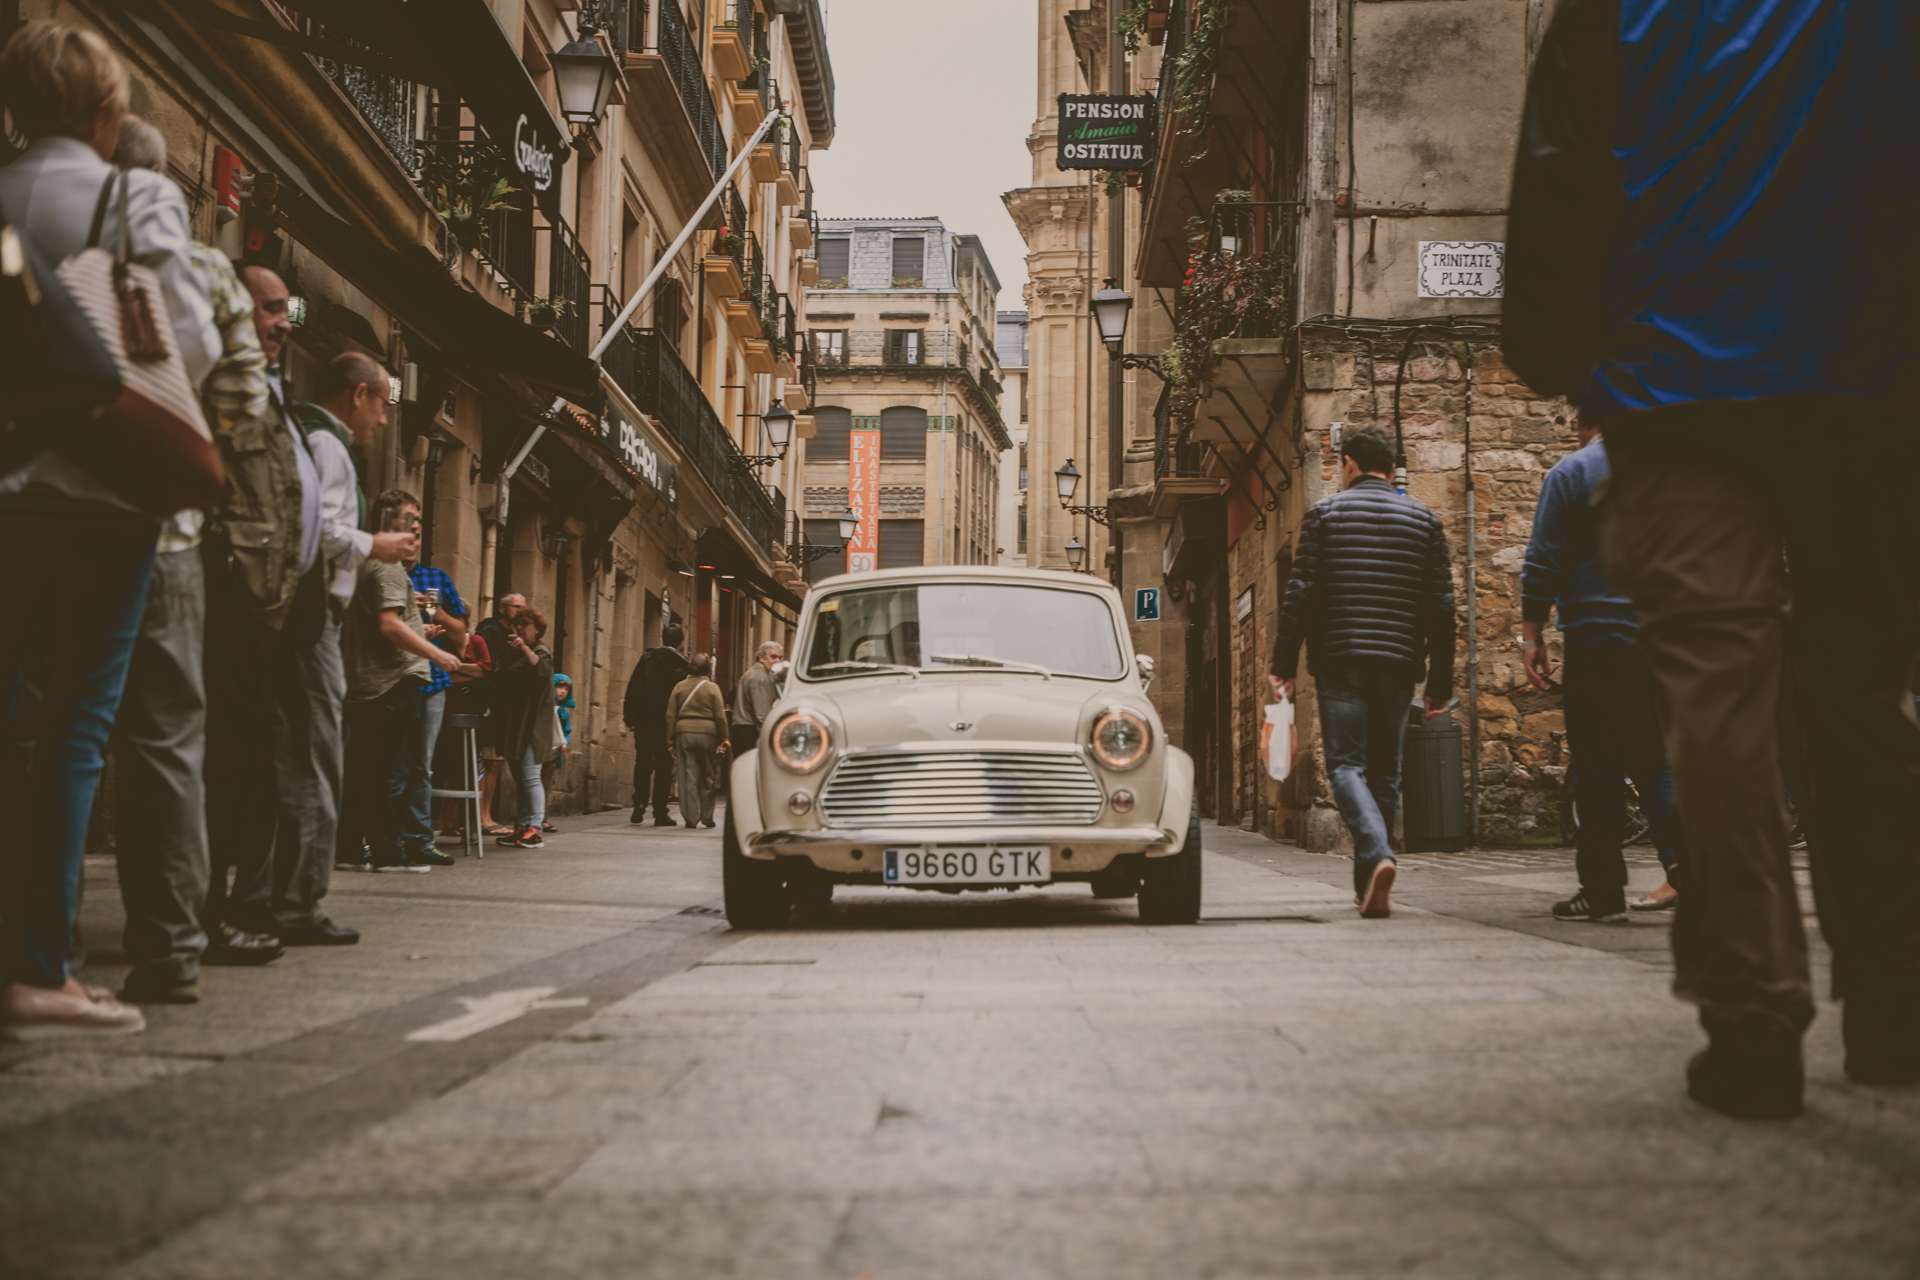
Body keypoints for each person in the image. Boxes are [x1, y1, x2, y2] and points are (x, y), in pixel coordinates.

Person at [1506, 0, 1920, 1115]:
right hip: (1871, 389)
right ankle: (1891, 1003)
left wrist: (1550, 344)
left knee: (1717, 705)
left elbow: (1557, 174)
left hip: (1678, 396)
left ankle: (1753, 1018)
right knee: (1857, 694)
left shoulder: (1613, 16)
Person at [0, 22, 219, 1040]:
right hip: (111, 488)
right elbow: (192, 338)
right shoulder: (133, 197)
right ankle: (41, 966)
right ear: (106, 114)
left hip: (10, 482)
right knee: (81, 723)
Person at [106, 116, 276, 1002]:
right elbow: (249, 418)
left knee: (41, 739)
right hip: (166, 531)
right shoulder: (207, 270)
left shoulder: (36, 229)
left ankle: (32, 950)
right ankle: (168, 949)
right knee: (167, 741)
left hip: (37, 516)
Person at [1268, 426, 1456, 920]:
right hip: (1398, 663)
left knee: (1346, 767)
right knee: (1385, 774)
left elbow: (1301, 593)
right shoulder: (1425, 521)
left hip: (1341, 660)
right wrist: (1440, 684)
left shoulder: (1325, 515)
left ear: (1348, 463)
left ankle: (1376, 852)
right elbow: (1442, 608)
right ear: (1391, 469)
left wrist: (1282, 665)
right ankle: (1367, 887)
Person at [199, 262, 324, 964]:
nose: (282, 321)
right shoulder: (223, 380)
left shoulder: (270, 388)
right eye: (269, 307)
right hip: (239, 599)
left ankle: (239, 904)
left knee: (251, 766)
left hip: (274, 607)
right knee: (228, 762)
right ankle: (211, 910)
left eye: (285, 308)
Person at [1520, 419, 1678, 923]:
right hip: (1660, 638)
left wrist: (1533, 634)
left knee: (1599, 767)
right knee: (1658, 763)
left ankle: (1604, 891)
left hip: (1597, 639)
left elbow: (1544, 559)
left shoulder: (1572, 473)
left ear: (1588, 421)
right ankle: (1687, 872)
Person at [337, 490, 460, 873]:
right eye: (409, 521)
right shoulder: (387, 565)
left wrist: (418, 628)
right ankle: (388, 852)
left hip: (367, 684)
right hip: (393, 683)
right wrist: (436, 653)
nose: (415, 530)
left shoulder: (360, 561)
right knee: (393, 774)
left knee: (365, 772)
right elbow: (387, 624)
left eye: (419, 523)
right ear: (390, 522)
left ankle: (350, 851)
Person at [404, 551, 468, 864]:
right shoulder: (378, 573)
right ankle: (377, 837)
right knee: (384, 762)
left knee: (421, 765)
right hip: (389, 682)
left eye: (416, 531)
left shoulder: (437, 579)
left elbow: (461, 637)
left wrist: (434, 611)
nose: (410, 540)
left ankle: (419, 839)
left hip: (430, 684)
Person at [492, 607, 556, 850]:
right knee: (520, 779)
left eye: (525, 624)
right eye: (516, 624)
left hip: (531, 726)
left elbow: (542, 671)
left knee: (530, 777)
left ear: (537, 629)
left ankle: (535, 829)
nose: (518, 628)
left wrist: (524, 649)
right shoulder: (512, 654)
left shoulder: (540, 650)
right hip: (515, 725)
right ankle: (521, 826)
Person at [625, 623, 690, 827]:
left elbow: (633, 687)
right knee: (664, 767)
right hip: (666, 725)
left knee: (642, 764)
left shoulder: (646, 659)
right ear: (681, 642)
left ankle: (640, 804)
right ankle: (660, 812)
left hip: (644, 721)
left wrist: (629, 717)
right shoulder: (682, 665)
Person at [473, 592, 524, 837]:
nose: (522, 610)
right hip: (488, 704)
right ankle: (482, 818)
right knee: (488, 761)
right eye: (517, 606)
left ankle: (484, 815)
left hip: (504, 707)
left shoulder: (516, 635)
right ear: (503, 608)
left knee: (496, 762)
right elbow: (490, 667)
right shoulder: (490, 631)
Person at [665, 654, 726, 830]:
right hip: (708, 735)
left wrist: (670, 740)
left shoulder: (679, 687)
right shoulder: (713, 688)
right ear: (707, 669)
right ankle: (707, 817)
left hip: (684, 735)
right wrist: (724, 738)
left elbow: (670, 715)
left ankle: (691, 818)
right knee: (708, 775)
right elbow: (720, 717)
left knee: (687, 776)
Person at [729, 641, 784, 760]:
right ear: (761, 658)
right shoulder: (760, 677)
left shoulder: (754, 673)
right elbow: (762, 714)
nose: (777, 661)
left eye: (780, 657)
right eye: (773, 656)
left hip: (743, 732)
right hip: (748, 733)